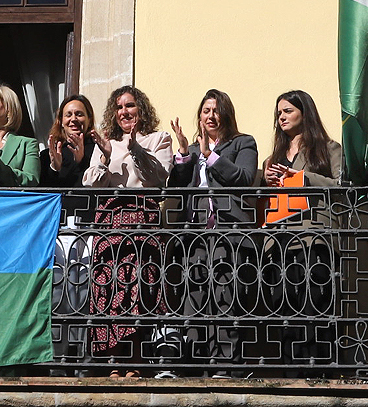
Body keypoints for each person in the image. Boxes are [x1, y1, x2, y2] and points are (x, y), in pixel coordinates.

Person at [82, 85, 173, 372]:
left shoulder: (159, 139)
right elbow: (91, 184)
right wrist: (107, 156)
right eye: (120, 107)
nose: (125, 112)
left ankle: (134, 359)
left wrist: (136, 149)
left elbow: (159, 178)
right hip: (109, 221)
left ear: (141, 109)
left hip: (141, 220)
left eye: (130, 106)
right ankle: (112, 362)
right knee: (109, 288)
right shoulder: (106, 143)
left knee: (137, 288)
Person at [168, 89, 258, 365]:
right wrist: (184, 154)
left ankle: (225, 362)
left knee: (225, 294)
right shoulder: (192, 150)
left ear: (226, 114)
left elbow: (244, 178)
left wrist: (213, 156)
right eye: (205, 111)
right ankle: (197, 361)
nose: (210, 115)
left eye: (216, 110)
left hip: (228, 232)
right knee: (195, 293)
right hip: (196, 233)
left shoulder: (242, 143)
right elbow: (176, 188)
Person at [259, 89, 344, 369]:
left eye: (288, 111)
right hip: (280, 239)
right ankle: (290, 369)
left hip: (314, 237)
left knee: (315, 303)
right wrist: (265, 179)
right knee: (284, 304)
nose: (281, 117)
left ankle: (318, 369)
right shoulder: (274, 156)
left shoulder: (328, 148)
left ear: (304, 113)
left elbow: (341, 188)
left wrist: (303, 177)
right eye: (279, 112)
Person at [41, 94, 98, 190]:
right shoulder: (48, 156)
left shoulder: (99, 152)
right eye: (68, 115)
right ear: (61, 122)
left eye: (79, 114)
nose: (74, 119)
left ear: (89, 120)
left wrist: (81, 162)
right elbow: (44, 194)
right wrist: (55, 168)